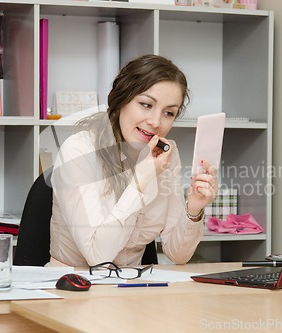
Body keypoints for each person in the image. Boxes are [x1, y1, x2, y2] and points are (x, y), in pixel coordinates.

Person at [48, 54, 218, 268]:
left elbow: (177, 255)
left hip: (131, 288)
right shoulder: (79, 150)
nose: (156, 122)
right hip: (75, 287)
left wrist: (193, 209)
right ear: (122, 99)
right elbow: (99, 259)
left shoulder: (165, 154)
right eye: (146, 105)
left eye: (168, 113)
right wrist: (140, 181)